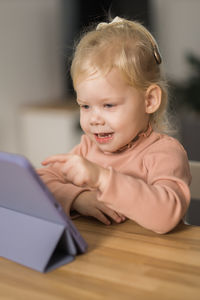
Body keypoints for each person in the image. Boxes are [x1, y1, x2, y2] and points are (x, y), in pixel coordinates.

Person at [38, 17, 191, 234]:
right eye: (85, 106)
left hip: (153, 264)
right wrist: (79, 198)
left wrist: (102, 178)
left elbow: (166, 215)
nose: (94, 119)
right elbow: (40, 182)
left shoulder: (164, 153)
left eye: (108, 105)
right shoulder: (87, 148)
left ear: (149, 101)